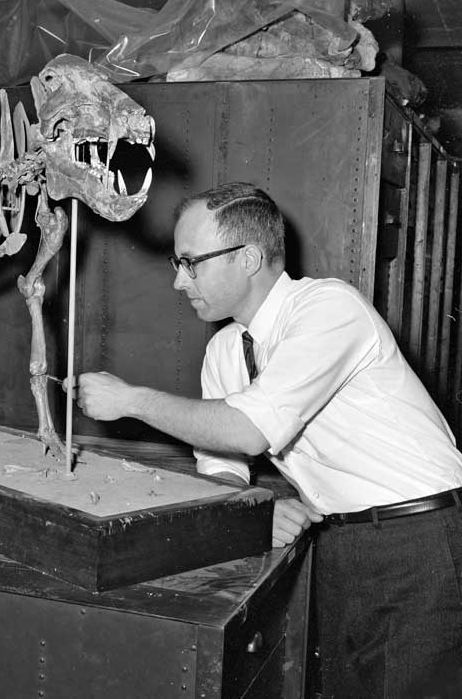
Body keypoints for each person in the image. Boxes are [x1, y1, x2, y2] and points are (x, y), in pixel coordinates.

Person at [69, 182, 462, 698]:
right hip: (344, 545)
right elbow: (224, 465)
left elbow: (248, 430)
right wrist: (251, 510)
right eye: (177, 264)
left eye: (191, 263)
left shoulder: (328, 309)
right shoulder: (225, 352)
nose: (178, 282)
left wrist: (131, 400)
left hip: (420, 540)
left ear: (249, 257)